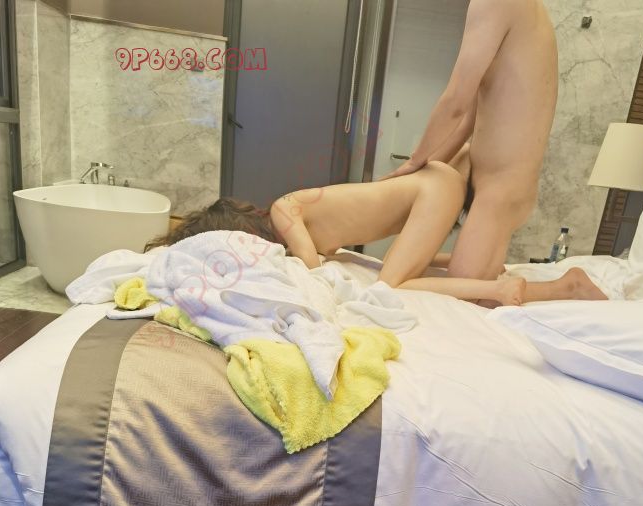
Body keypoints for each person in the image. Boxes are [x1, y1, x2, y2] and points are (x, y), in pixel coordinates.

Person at [147, 144, 606, 306]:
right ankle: (557, 285)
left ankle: (502, 290)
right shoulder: (294, 218)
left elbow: (311, 268)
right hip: (431, 190)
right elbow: (333, 253)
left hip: (431, 190)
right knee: (407, 269)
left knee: (393, 284)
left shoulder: (286, 210)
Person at [381, 0, 559, 283]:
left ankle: (567, 285)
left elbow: (456, 103)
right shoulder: (527, 12)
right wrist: (424, 167)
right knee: (405, 265)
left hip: (503, 187)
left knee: (468, 291)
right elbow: (468, 118)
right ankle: (486, 266)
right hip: (485, 170)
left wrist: (416, 160)